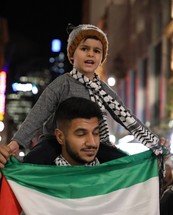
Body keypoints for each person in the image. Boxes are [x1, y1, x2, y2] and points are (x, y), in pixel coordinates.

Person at [1, 23, 170, 165]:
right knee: (32, 164)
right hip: (55, 142)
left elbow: (126, 117)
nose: (91, 54)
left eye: (97, 51)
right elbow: (38, 114)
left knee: (124, 165)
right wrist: (17, 142)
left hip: (96, 144)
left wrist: (154, 143)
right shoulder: (61, 84)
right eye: (84, 48)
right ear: (72, 55)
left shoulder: (103, 90)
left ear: (101, 57)